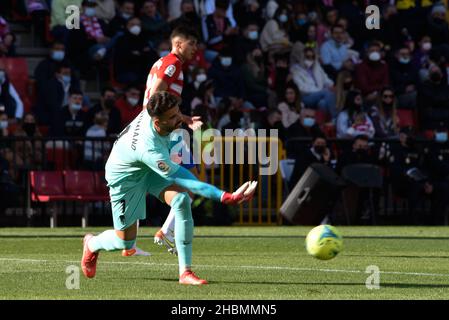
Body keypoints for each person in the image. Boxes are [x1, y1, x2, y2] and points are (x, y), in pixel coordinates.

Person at [81, 92, 257, 284]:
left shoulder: (157, 111)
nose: (178, 118)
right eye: (173, 117)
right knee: (125, 242)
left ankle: (185, 272)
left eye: (178, 113)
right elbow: (187, 180)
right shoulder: (150, 149)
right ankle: (91, 243)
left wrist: (186, 119)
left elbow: (161, 99)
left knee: (181, 200)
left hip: (147, 167)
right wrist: (225, 197)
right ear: (157, 123)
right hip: (126, 178)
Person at [139, 26, 203, 257]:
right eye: (192, 43)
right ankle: (166, 232)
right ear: (178, 44)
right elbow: (156, 94)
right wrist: (167, 124)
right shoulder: (173, 63)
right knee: (192, 182)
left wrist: (183, 118)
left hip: (162, 128)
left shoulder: (165, 61)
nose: (195, 49)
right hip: (166, 131)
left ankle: (139, 236)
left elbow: (159, 97)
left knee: (181, 182)